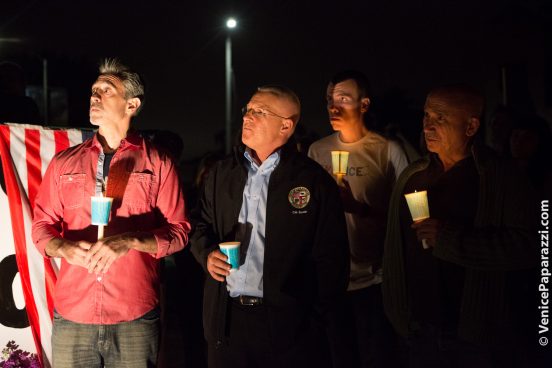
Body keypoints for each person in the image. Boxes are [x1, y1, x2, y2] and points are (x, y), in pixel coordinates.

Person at [31, 58, 190, 367]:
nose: (95, 96)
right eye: (93, 90)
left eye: (106, 90)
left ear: (132, 104)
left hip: (134, 313)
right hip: (73, 312)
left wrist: (129, 241)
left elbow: (179, 231)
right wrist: (62, 247)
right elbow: (41, 226)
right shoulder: (65, 163)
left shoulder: (157, 162)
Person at [191, 85, 351, 368]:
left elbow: (332, 260)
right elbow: (200, 225)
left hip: (288, 326)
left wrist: (307, 315)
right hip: (227, 321)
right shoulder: (222, 173)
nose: (247, 117)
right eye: (248, 110)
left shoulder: (313, 181)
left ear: (286, 125)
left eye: (259, 112)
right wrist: (207, 255)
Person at [383, 85, 539, 367]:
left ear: (471, 126)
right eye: (427, 115)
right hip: (420, 328)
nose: (428, 124)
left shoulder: (500, 177)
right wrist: (397, 310)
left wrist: (449, 241)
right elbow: (395, 247)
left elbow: (529, 246)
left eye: (440, 118)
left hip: (476, 332)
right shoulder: (413, 176)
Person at [308, 70, 408, 367]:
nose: (333, 107)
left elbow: (407, 214)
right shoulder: (318, 150)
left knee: (378, 356)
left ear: (364, 105)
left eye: (343, 99)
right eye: (329, 100)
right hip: (331, 281)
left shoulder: (388, 150)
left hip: (376, 279)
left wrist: (357, 207)